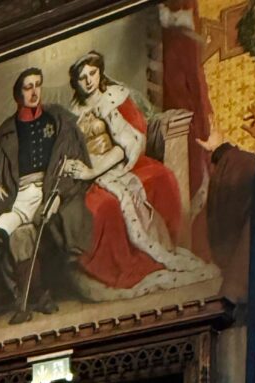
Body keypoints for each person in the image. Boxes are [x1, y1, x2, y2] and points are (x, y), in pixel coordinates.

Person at [62, 50, 214, 297]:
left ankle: (152, 255)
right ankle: (110, 267)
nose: (88, 81)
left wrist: (93, 170)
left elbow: (126, 144)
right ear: (75, 82)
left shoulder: (113, 98)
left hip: (116, 164)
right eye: (82, 77)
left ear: (100, 72)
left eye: (92, 73)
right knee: (100, 209)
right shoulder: (72, 112)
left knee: (161, 179)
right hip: (88, 173)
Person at [0, 67, 91, 322]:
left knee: (30, 235)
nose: (34, 92)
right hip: (18, 196)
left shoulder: (58, 121)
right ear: (18, 95)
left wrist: (59, 194)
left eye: (37, 85)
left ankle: (37, 296)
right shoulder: (5, 133)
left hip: (49, 190)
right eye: (28, 87)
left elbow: (75, 160)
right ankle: (21, 295)